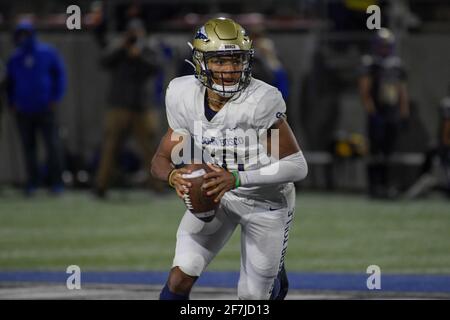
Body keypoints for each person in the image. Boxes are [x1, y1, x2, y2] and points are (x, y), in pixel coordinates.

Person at [151, 17, 308, 300]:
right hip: (216, 194)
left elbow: (296, 166)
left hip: (265, 201)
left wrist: (237, 178)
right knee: (179, 277)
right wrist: (175, 177)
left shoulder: (260, 101)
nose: (229, 70)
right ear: (201, 62)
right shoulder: (182, 94)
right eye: (219, 61)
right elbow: (162, 158)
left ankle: (273, 282)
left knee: (251, 299)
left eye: (236, 60)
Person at [94, 19, 163, 198]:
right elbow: (103, 61)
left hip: (142, 106)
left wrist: (138, 55)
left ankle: (157, 186)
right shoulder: (119, 48)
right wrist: (122, 48)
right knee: (110, 147)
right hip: (119, 105)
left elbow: (156, 67)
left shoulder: (148, 48)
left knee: (149, 148)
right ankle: (101, 186)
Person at [6, 21, 66, 196]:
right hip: (23, 110)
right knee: (28, 148)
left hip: (45, 108)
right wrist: (12, 102)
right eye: (20, 34)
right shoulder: (15, 58)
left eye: (26, 34)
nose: (23, 38)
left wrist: (55, 97)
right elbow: (9, 83)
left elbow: (60, 75)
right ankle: (33, 182)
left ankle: (56, 182)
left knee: (52, 146)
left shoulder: (47, 52)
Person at [359, 28, 409, 199]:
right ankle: (374, 186)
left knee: (389, 152)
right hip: (378, 113)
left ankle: (387, 185)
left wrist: (403, 112)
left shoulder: (396, 65)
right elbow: (365, 91)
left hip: (392, 113)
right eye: (382, 46)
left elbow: (402, 91)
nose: (384, 49)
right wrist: (372, 113)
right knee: (375, 152)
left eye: (387, 46)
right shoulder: (371, 63)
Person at [404, 86, 450, 199]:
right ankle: (430, 185)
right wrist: (446, 145)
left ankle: (431, 185)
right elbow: (447, 126)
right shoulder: (447, 104)